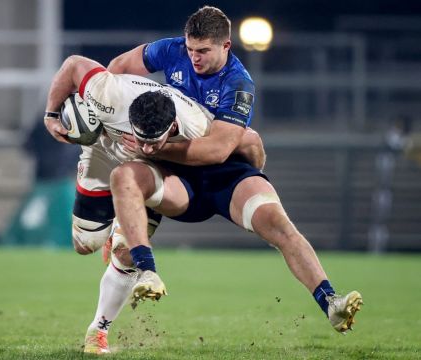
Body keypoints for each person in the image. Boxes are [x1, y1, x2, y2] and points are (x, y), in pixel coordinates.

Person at [90, 5, 363, 354]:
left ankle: (331, 303)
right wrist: (127, 118)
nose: (194, 58)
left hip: (222, 174)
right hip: (178, 176)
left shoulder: (238, 83)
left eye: (203, 51)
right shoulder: (170, 50)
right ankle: (98, 330)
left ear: (226, 46)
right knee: (124, 193)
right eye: (191, 50)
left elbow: (216, 151)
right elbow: (115, 71)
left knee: (278, 224)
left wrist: (153, 148)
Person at [43, 54, 264, 354]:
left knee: (126, 254)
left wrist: (255, 175)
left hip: (148, 170)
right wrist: (50, 113)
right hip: (102, 152)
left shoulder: (197, 125)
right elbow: (72, 65)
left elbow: (248, 140)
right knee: (85, 243)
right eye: (141, 138)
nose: (147, 145)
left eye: (153, 140)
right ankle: (112, 231)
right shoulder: (108, 94)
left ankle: (98, 330)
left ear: (172, 127)